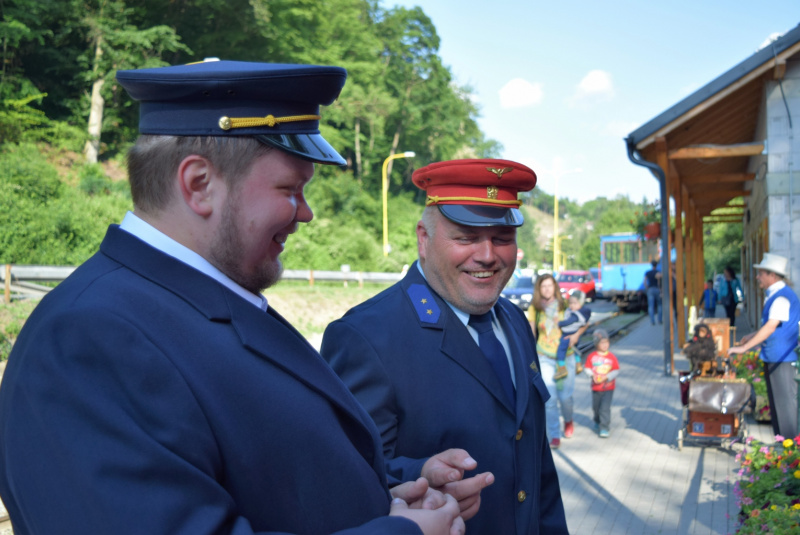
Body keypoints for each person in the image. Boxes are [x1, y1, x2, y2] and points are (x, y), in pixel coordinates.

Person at [0, 60, 470, 535]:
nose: (305, 213)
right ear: (199, 185)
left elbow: (268, 472)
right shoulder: (87, 340)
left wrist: (389, 494)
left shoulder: (194, 303)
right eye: (290, 189)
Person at [321, 159, 569, 534]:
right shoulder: (366, 337)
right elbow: (342, 478)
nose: (487, 255)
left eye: (502, 238)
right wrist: (420, 475)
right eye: (466, 237)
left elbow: (538, 467)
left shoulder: (516, 321)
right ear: (424, 238)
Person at [728, 252, 800, 440]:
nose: (757, 277)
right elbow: (772, 326)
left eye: (761, 273)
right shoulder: (776, 295)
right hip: (776, 357)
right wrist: (751, 336)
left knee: (785, 407)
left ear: (772, 275)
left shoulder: (781, 297)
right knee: (778, 406)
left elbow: (770, 327)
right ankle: (782, 446)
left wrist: (744, 348)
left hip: (782, 359)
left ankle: (790, 449)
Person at [528, 273, 590, 448]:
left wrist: (576, 335)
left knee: (565, 398)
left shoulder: (564, 305)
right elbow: (531, 333)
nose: (547, 289)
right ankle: (554, 435)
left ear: (555, 287)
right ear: (539, 289)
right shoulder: (535, 308)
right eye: (543, 286)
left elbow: (585, 320)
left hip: (566, 356)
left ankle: (568, 420)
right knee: (550, 400)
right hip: (544, 356)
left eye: (550, 285)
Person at [583, 329, 620, 438]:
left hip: (608, 387)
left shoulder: (611, 357)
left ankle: (604, 427)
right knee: (596, 408)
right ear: (596, 343)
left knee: (605, 408)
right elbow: (587, 368)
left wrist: (607, 377)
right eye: (602, 343)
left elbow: (616, 370)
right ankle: (597, 420)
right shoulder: (591, 356)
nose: (605, 345)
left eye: (606, 342)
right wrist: (592, 376)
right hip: (596, 387)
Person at [555, 290, 591, 380]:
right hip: (575, 334)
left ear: (581, 303)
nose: (572, 305)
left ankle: (562, 368)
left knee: (561, 350)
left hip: (568, 334)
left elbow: (568, 322)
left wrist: (559, 323)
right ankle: (578, 364)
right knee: (575, 350)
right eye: (570, 303)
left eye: (575, 303)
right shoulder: (581, 312)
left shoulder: (576, 314)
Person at [644, 260, 662, 325]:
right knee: (659, 305)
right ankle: (659, 320)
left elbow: (644, 281)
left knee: (651, 306)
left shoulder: (648, 272)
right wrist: (660, 290)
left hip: (650, 289)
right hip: (657, 289)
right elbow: (659, 282)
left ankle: (652, 321)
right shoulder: (658, 272)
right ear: (656, 265)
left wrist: (647, 288)